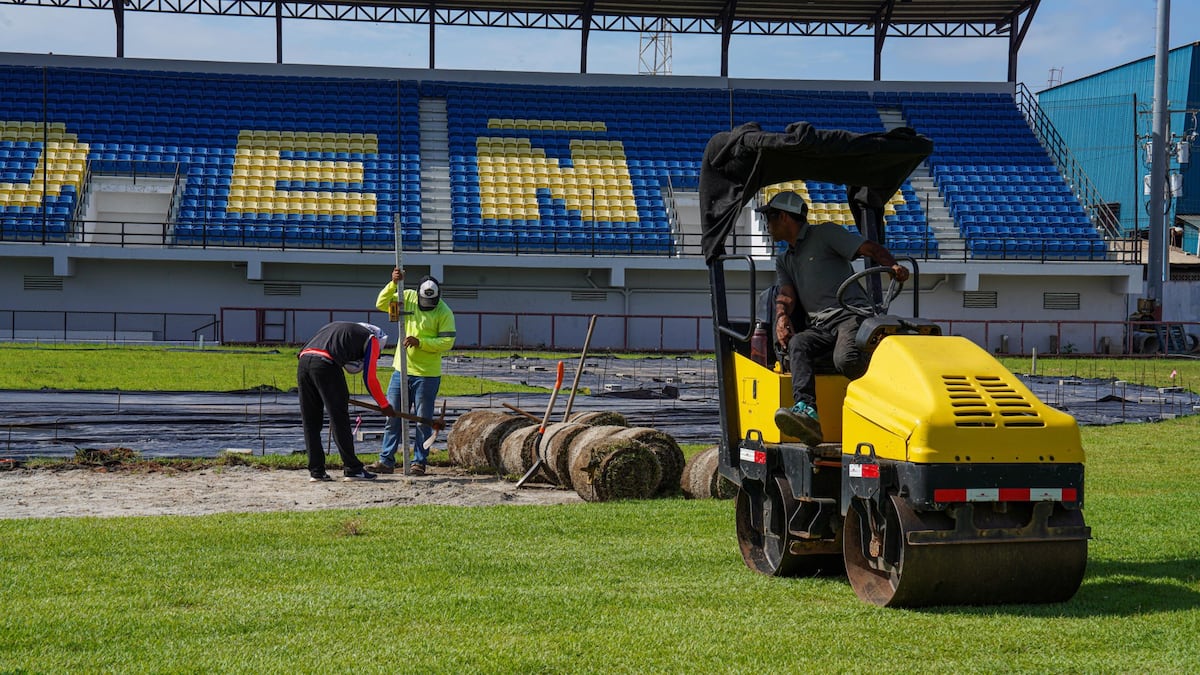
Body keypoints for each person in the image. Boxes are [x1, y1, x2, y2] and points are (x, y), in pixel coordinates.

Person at [760, 190, 910, 446]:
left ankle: (889, 404)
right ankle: (807, 414)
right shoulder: (784, 259)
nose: (768, 225)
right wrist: (781, 317)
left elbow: (869, 248)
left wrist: (893, 265)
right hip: (820, 326)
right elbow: (786, 293)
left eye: (770, 218)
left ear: (784, 217)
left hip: (851, 315)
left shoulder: (825, 234)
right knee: (799, 344)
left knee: (845, 359)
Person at [367, 268, 456, 476]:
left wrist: (421, 342)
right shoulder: (406, 296)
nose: (427, 306)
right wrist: (392, 283)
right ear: (417, 294)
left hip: (427, 374)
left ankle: (419, 462)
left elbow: (447, 341)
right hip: (402, 370)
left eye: (430, 303)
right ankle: (386, 460)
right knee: (392, 415)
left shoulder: (444, 312)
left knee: (423, 420)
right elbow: (381, 304)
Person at [297, 321, 394, 482]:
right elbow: (369, 378)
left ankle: (317, 471)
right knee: (339, 418)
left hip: (303, 363)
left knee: (311, 421)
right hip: (326, 364)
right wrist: (384, 405)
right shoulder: (373, 339)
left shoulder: (337, 329)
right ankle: (353, 469)